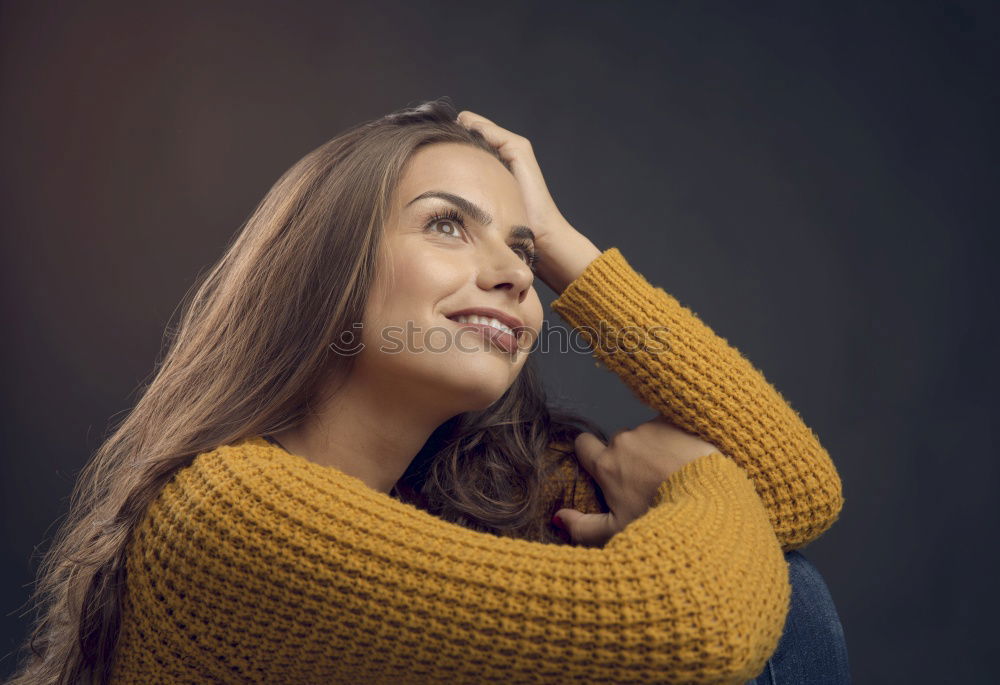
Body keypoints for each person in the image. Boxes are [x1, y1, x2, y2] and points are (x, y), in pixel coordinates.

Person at [7, 99, 846, 684]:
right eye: (448, 225)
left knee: (788, 581)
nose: (515, 274)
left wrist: (565, 246)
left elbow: (797, 492)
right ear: (328, 267)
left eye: (523, 252)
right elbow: (696, 624)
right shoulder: (228, 513)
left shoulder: (479, 482)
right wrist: (690, 479)